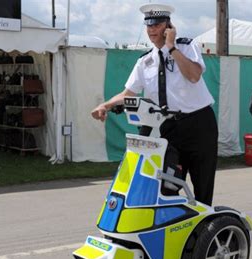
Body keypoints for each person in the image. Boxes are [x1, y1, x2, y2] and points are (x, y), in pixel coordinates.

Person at [91, 4, 218, 206]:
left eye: (157, 25)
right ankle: (173, 231)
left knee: (202, 186)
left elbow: (194, 76)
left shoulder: (186, 46)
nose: (151, 30)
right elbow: (127, 93)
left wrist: (172, 47)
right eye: (148, 25)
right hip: (168, 127)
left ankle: (203, 233)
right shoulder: (145, 61)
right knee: (168, 186)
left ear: (168, 27)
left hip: (198, 124)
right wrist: (105, 106)